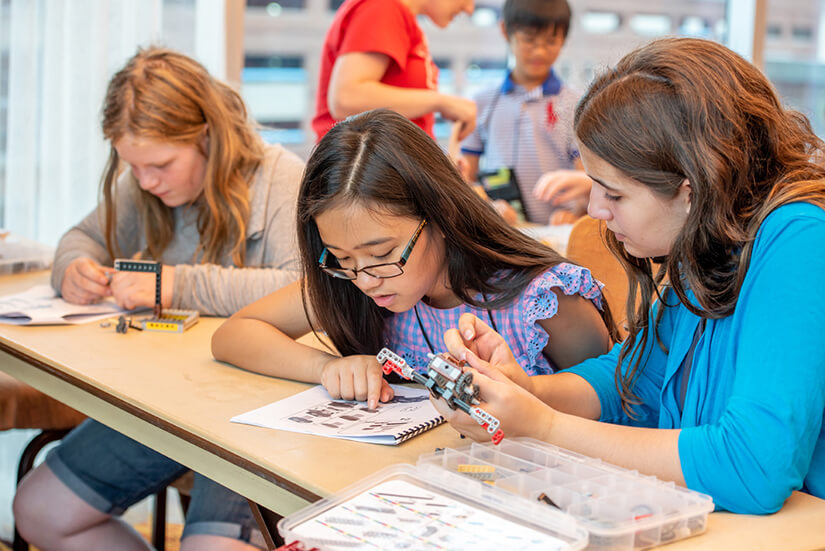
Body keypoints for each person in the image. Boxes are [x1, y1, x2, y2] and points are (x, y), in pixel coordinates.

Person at [433, 37, 825, 515]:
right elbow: (632, 381)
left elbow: (752, 466)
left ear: (691, 188)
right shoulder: (706, 238)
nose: (596, 210)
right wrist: (528, 393)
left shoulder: (801, 242)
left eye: (613, 194)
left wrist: (543, 426)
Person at [14, 47, 305, 550]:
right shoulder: (145, 185)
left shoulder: (280, 178)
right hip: (167, 403)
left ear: (207, 136)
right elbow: (81, 237)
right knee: (37, 509)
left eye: (161, 165)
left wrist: (175, 284)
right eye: (133, 165)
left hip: (255, 413)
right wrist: (74, 269)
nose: (146, 181)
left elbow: (303, 288)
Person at [212, 108, 618, 414]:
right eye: (341, 258)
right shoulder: (354, 283)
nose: (366, 280)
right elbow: (236, 334)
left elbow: (619, 407)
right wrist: (326, 367)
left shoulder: (543, 300)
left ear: (440, 216)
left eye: (383, 254)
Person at [460, 0, 591, 225]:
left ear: (564, 39)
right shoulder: (481, 102)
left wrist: (576, 212)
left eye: (551, 41)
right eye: (529, 40)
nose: (539, 51)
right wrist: (486, 208)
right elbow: (464, 178)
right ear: (505, 31)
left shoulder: (576, 104)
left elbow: (587, 176)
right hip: (499, 229)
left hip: (556, 232)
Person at [311, 0, 477, 142]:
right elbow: (346, 99)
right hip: (369, 172)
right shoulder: (383, 7)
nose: (470, 9)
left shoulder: (399, 17)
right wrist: (440, 102)